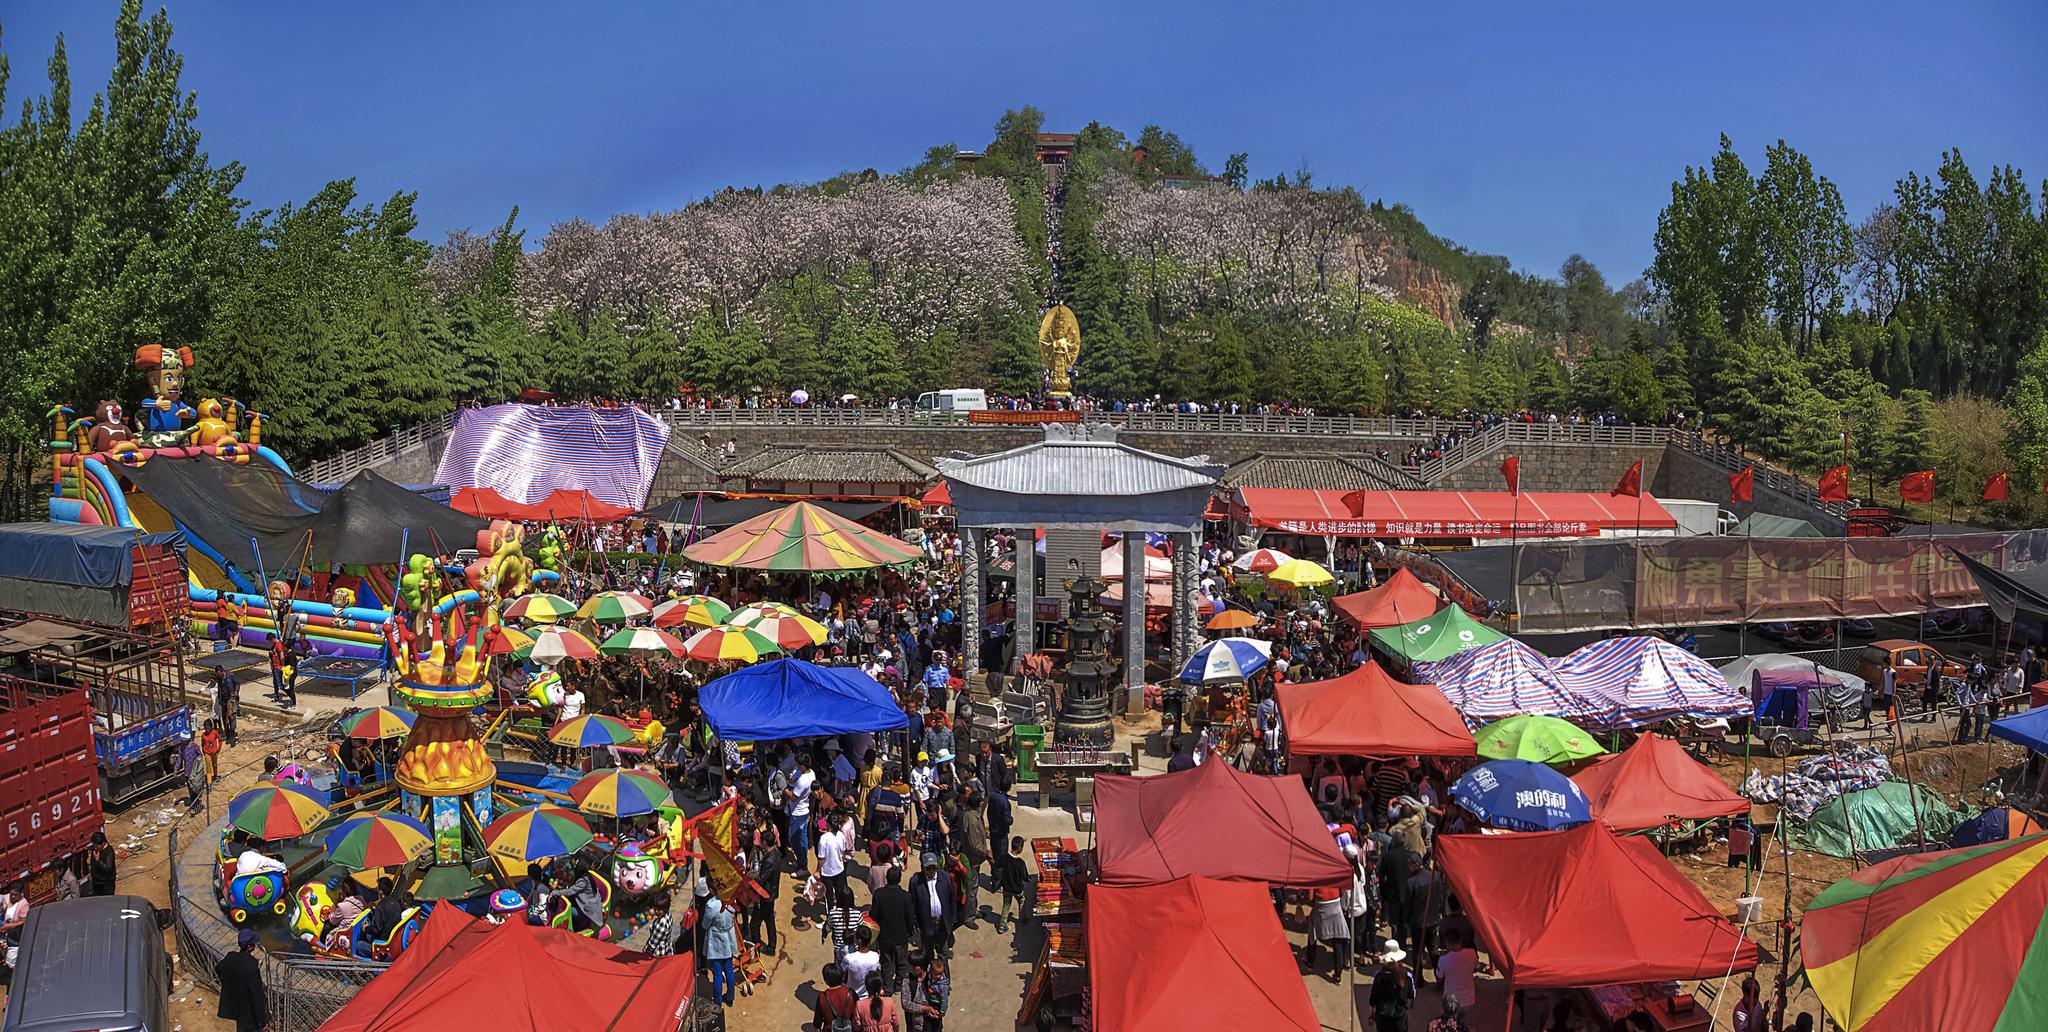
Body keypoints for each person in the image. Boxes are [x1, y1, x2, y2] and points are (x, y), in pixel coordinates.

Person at [870, 863, 917, 990]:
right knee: (901, 963)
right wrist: (911, 931)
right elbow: (910, 918)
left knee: (886, 963)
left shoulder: (878, 894)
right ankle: (898, 985)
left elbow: (873, 916)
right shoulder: (906, 896)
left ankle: (888, 986)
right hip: (901, 937)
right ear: (899, 879)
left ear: (887, 878)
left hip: (884, 937)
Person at [215, 928, 271, 1032]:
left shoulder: (230, 957)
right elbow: (257, 999)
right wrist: (263, 1023)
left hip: (233, 1004)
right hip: (247, 1011)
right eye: (253, 943)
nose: (255, 945)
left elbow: (218, 968)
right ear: (250, 947)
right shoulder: (252, 969)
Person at [909, 851, 956, 959]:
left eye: (934, 867)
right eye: (928, 868)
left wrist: (952, 919)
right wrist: (917, 925)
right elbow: (913, 905)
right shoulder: (916, 881)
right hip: (926, 925)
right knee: (927, 953)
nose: (931, 871)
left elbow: (951, 899)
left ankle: (944, 975)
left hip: (942, 923)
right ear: (923, 867)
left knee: (943, 953)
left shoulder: (945, 877)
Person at [1306, 883, 1351, 981]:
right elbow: (1342, 892)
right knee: (1338, 939)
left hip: (1321, 909)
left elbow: (1310, 897)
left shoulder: (1315, 878)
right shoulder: (1334, 874)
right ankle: (1338, 974)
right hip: (1335, 908)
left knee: (1312, 929)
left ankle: (1310, 961)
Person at [1370, 939, 1415, 1032]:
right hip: (1400, 1020)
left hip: (1382, 1019)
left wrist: (1371, 1015)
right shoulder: (1407, 976)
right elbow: (1411, 995)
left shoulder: (1379, 976)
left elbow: (1373, 999)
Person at [702, 892, 737, 1006]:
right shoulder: (732, 900)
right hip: (729, 938)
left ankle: (717, 1001)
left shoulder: (712, 905)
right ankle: (730, 997)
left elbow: (705, 925)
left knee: (717, 974)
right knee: (729, 970)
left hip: (716, 941)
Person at [1437, 928, 1483, 1012]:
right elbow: (1476, 968)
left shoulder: (1443, 959)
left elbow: (1439, 978)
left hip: (1450, 1001)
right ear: (1461, 941)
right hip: (1469, 999)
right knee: (1464, 1021)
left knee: (1450, 1020)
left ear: (1446, 943)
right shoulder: (1472, 953)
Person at [995, 835, 1030, 933]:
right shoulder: (1020, 863)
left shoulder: (1004, 857)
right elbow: (1025, 877)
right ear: (1020, 849)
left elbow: (997, 865)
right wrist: (1028, 878)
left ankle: (1002, 925)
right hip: (1017, 889)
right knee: (1022, 901)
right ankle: (1022, 919)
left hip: (1006, 887)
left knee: (1006, 905)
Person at [907, 951, 950, 1032]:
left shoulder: (942, 986)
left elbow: (944, 1000)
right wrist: (926, 1008)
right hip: (918, 1021)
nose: (938, 976)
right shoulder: (908, 980)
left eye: (914, 966)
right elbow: (906, 1004)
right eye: (936, 974)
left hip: (936, 1006)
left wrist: (941, 1012)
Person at [789, 755, 817, 868]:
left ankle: (802, 865)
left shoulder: (803, 780)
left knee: (794, 839)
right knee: (803, 837)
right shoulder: (810, 773)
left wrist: (784, 788)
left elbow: (793, 797)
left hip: (798, 812)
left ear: (803, 766)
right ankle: (802, 860)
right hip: (803, 810)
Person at [814, 961, 859, 1031]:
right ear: (842, 978)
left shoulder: (822, 996)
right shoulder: (851, 993)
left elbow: (817, 1024)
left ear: (826, 981)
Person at [843, 925, 882, 998]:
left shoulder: (849, 958)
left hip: (851, 994)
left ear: (859, 941)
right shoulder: (875, 956)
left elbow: (843, 972)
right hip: (867, 994)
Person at [85, 830, 117, 896]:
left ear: (103, 843)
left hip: (106, 884)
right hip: (96, 883)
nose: (95, 847)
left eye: (97, 846)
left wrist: (98, 860)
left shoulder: (109, 852)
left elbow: (108, 868)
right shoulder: (96, 849)